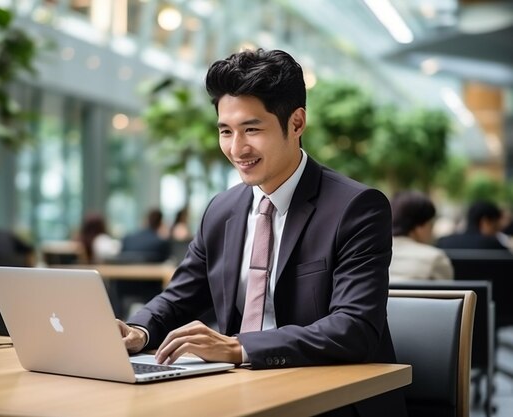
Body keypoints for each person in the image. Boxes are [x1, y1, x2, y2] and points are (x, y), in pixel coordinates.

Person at [117, 49, 406, 416]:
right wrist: (137, 331)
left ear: (297, 123)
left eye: (252, 129)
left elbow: (354, 328)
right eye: (226, 131)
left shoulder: (357, 208)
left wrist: (240, 348)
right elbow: (178, 299)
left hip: (331, 400)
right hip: (238, 392)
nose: (237, 149)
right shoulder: (221, 210)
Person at [388, 191, 453, 281]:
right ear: (420, 226)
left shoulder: (372, 252)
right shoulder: (435, 259)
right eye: (431, 224)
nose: (432, 230)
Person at [436, 200, 508, 250]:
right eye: (495, 228)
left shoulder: (443, 243)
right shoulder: (495, 247)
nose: (496, 233)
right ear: (485, 222)